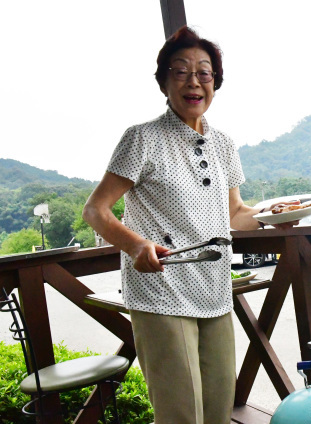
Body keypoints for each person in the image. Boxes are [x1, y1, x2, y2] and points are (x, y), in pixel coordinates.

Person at [83, 26, 296, 424]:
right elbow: (96, 210)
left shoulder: (224, 144)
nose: (194, 81)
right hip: (161, 289)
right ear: (163, 81)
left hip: (215, 289)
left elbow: (235, 215)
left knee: (218, 409)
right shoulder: (142, 138)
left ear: (216, 82)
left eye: (205, 72)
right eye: (180, 72)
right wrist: (135, 245)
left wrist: (274, 216)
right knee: (181, 415)